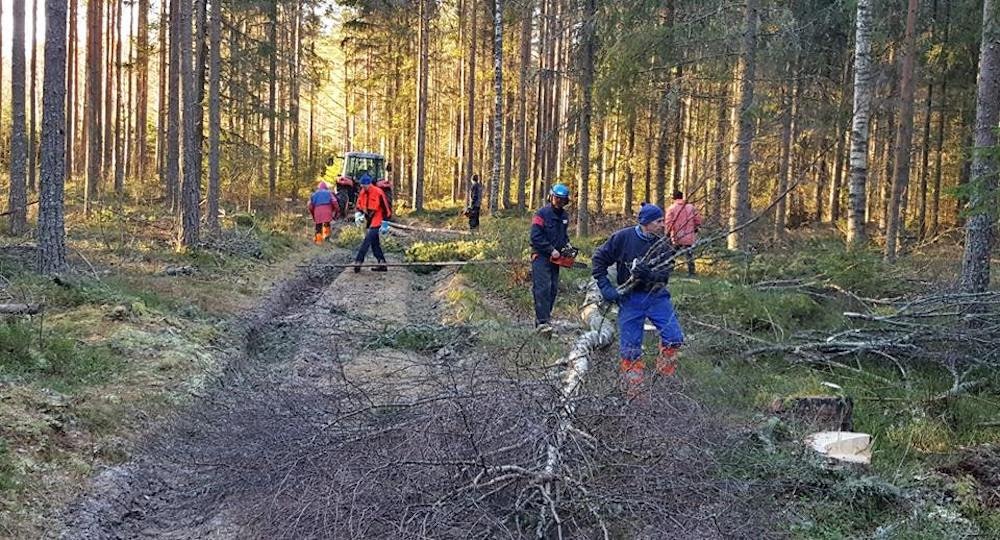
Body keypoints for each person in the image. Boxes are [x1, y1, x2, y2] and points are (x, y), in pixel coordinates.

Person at [592, 203, 684, 395]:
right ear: (646, 223)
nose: (662, 225)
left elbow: (665, 275)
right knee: (630, 349)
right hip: (631, 299)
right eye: (658, 221)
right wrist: (606, 288)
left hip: (657, 297)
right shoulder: (622, 238)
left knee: (674, 338)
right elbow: (599, 259)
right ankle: (635, 394)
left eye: (662, 220)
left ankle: (663, 381)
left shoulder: (663, 244)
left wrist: (649, 275)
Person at [530, 183, 572, 336]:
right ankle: (542, 322)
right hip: (541, 256)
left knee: (553, 289)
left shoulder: (564, 216)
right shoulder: (541, 214)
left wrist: (567, 247)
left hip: (556, 258)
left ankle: (546, 318)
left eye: (562, 200)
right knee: (542, 288)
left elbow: (563, 236)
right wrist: (550, 249)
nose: (559, 202)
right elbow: (535, 237)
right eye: (556, 199)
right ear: (551, 197)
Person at [354, 174, 392, 272]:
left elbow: (386, 209)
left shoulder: (378, 192)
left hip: (377, 219)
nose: (363, 187)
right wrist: (358, 215)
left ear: (369, 184)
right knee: (375, 244)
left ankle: (358, 261)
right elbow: (359, 205)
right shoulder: (362, 193)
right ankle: (382, 263)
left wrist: (385, 224)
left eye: (364, 185)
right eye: (361, 185)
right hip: (369, 220)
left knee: (367, 241)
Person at [663, 190, 703, 276]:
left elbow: (669, 222)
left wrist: (667, 233)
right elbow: (698, 219)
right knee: (689, 253)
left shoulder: (671, 208)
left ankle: (669, 269)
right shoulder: (690, 207)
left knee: (672, 253)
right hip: (689, 234)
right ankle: (691, 272)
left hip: (677, 235)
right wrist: (696, 227)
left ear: (673, 198)